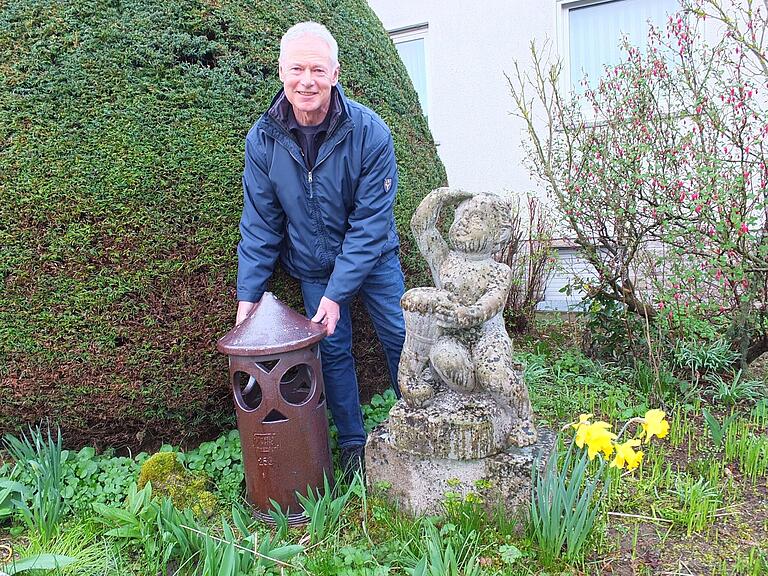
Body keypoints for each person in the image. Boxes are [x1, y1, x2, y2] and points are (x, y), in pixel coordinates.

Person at [235, 21, 406, 477]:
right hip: (312, 268)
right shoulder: (263, 139)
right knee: (331, 353)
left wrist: (336, 295)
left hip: (375, 261)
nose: (306, 80)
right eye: (296, 69)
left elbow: (371, 225)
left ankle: (417, 425)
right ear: (280, 73)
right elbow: (260, 224)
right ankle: (353, 445)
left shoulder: (369, 132)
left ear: (335, 73)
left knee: (401, 341)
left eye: (317, 69)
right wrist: (247, 301)